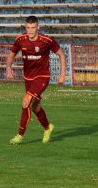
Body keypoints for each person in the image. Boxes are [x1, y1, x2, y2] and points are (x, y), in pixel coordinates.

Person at [7, 16, 66, 145]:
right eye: (28, 28)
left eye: (33, 27)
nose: (30, 30)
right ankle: (47, 128)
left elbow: (61, 54)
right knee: (35, 106)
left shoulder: (46, 41)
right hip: (28, 78)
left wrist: (62, 75)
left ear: (38, 27)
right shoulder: (20, 40)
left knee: (26, 102)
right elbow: (11, 55)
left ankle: (20, 135)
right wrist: (8, 68)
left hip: (42, 77)